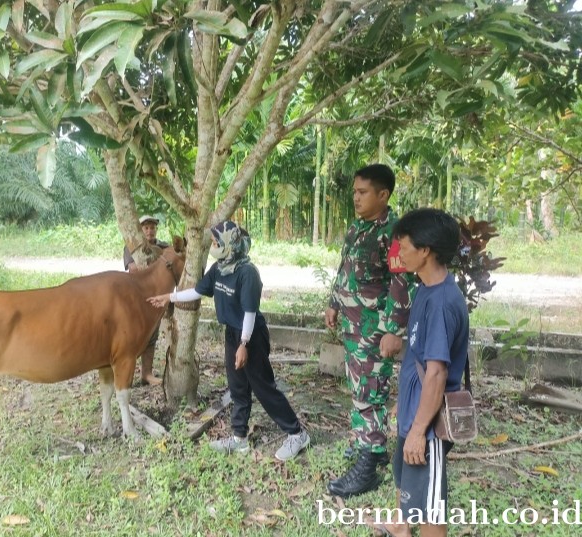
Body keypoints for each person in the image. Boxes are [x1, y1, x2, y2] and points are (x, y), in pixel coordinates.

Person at [147, 221, 310, 461]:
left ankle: (296, 433)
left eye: (216, 242)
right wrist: (168, 297)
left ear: (229, 245)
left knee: (262, 386)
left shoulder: (247, 273)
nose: (213, 246)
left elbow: (250, 313)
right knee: (237, 387)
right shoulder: (220, 267)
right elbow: (199, 291)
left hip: (250, 335)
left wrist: (244, 345)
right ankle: (239, 439)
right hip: (232, 334)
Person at [366, 208, 469, 537]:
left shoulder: (441, 302)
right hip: (415, 413)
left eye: (403, 244)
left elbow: (437, 374)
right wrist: (405, 405)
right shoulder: (426, 288)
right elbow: (420, 361)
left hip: (429, 427)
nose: (398, 253)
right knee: (405, 477)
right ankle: (399, 528)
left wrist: (417, 430)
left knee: (430, 506)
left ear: (425, 250)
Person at [326, 164, 416, 498]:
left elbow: (402, 282)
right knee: (360, 387)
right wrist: (334, 301)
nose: (356, 198)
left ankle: (369, 462)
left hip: (374, 329)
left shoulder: (393, 234)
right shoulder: (358, 227)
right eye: (354, 192)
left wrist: (394, 331)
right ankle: (371, 446)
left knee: (370, 390)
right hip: (352, 325)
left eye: (363, 193)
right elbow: (344, 267)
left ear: (383, 194)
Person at [123, 215, 169, 385]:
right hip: (136, 299)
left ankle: (146, 374)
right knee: (132, 337)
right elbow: (134, 270)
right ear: (140, 230)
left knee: (152, 335)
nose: (149, 231)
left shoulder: (163, 247)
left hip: (156, 299)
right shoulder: (132, 248)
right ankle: (126, 375)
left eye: (152, 227)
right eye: (146, 228)